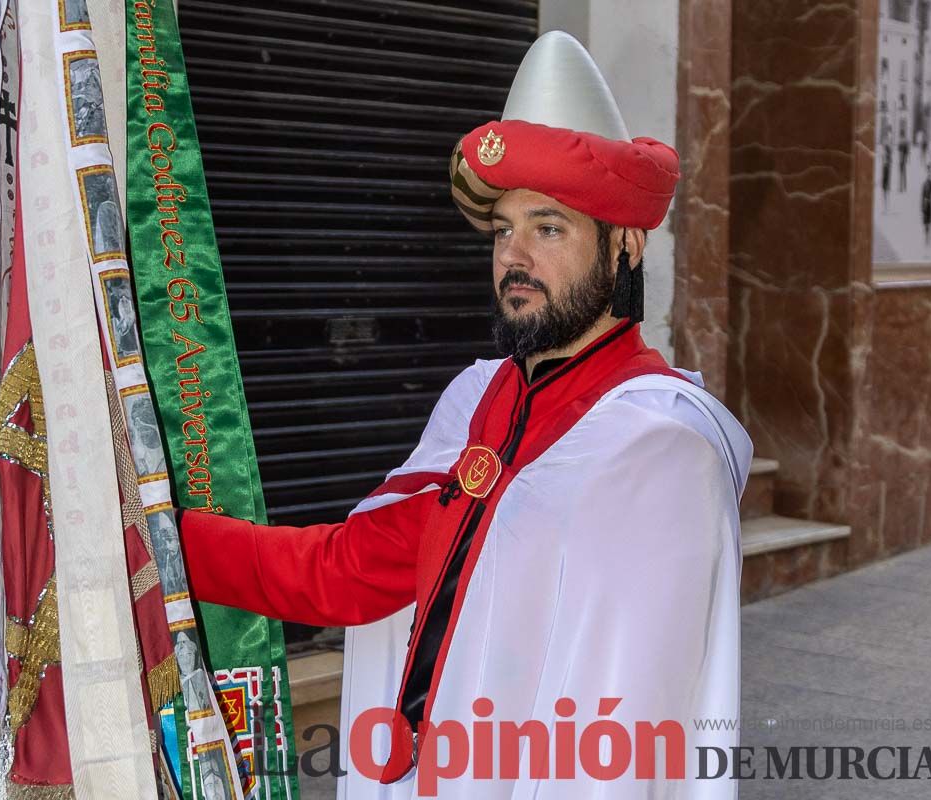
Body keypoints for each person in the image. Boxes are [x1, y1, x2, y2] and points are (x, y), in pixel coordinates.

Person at [178, 32, 751, 798]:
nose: (514, 256)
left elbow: (630, 729)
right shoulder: (479, 398)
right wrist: (154, 542)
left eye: (548, 228)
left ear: (626, 247)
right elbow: (353, 571)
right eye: (502, 229)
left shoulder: (662, 450)